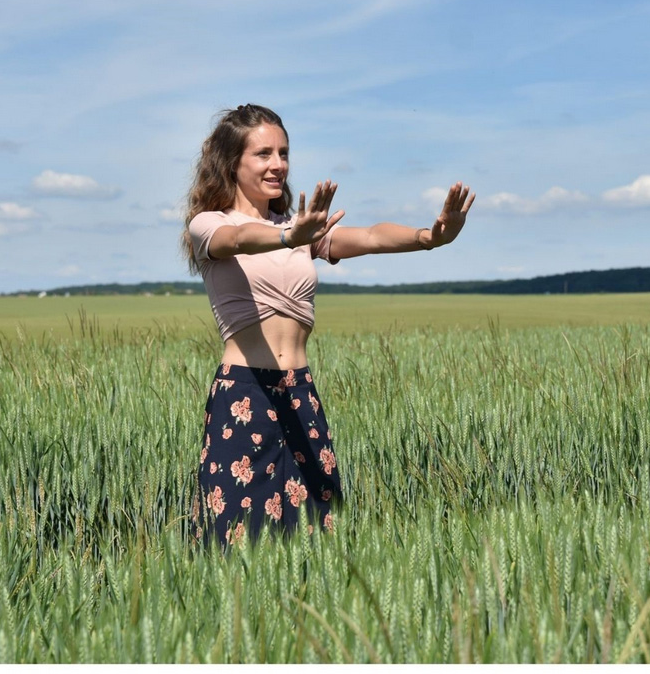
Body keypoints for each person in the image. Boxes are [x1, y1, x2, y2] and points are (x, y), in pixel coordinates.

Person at [182, 103, 474, 547]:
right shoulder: (211, 224)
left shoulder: (299, 227)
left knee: (317, 535)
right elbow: (237, 240)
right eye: (263, 154)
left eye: (283, 153)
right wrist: (288, 238)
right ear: (231, 162)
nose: (278, 164)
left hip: (300, 393)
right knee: (234, 541)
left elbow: (372, 237)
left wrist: (429, 238)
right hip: (244, 394)